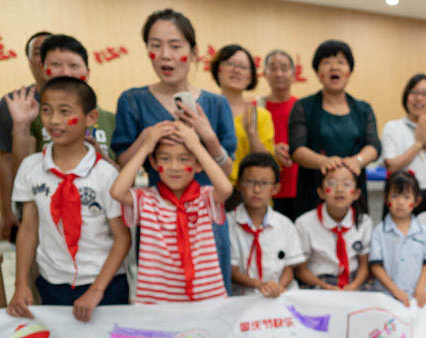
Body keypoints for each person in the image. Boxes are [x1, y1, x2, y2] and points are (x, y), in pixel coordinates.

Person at [111, 9, 236, 294]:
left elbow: (227, 172)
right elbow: (122, 165)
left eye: (175, 46)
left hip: (206, 222)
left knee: (211, 299)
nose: (165, 55)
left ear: (194, 53)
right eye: (155, 46)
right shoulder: (133, 101)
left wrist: (207, 137)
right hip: (158, 225)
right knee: (161, 298)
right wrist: (145, 140)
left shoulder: (216, 105)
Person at [6, 78, 130, 323]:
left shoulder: (106, 174)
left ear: (91, 117)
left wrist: (96, 291)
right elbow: (29, 229)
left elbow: (123, 237)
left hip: (105, 284)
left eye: (65, 112)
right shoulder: (31, 168)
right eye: (47, 110)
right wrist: (21, 284)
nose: (53, 120)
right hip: (53, 281)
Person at [109, 120, 233, 303]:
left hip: (207, 298)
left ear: (198, 164)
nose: (174, 167)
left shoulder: (205, 198)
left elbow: (226, 188)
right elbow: (117, 191)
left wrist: (196, 147)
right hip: (158, 302)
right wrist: (145, 147)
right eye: (165, 159)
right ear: (153, 162)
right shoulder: (147, 200)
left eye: (184, 159)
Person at [289, 40, 380, 217]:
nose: (334, 67)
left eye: (341, 62)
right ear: (317, 72)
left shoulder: (363, 109)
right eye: (327, 62)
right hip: (314, 191)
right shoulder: (303, 107)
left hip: (352, 190)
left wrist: (357, 161)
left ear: (349, 72)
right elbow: (297, 148)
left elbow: (374, 145)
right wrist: (323, 162)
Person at [8, 34, 118, 174]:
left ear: (87, 73)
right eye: (56, 65)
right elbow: (21, 175)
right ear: (44, 71)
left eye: (74, 65)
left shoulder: (112, 120)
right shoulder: (32, 118)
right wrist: (21, 125)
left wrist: (99, 156)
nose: (65, 73)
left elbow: (124, 181)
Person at [0, 30, 51, 241]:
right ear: (28, 61)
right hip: (31, 208)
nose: (45, 57)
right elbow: (5, 160)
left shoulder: (81, 102)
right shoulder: (12, 103)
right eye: (38, 51)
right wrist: (6, 212)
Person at [228, 153, 305, 297]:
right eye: (250, 182)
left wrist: (277, 288)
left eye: (264, 183)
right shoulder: (228, 223)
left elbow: (289, 268)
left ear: (275, 188)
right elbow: (232, 271)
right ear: (239, 184)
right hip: (245, 298)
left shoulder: (285, 224)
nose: (257, 190)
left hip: (281, 295)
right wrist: (260, 285)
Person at [295, 164, 372, 290]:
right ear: (321, 192)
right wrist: (325, 286)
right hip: (318, 282)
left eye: (347, 184)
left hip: (353, 281)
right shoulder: (304, 223)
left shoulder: (364, 221)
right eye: (332, 183)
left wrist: (353, 286)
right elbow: (300, 270)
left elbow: (364, 266)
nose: (339, 189)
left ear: (356, 193)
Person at [211, 44, 275, 185]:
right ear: (218, 70)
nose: (236, 69)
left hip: (248, 192)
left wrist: (252, 133)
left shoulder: (261, 115)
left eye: (242, 67)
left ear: (249, 77)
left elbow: (268, 165)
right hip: (210, 189)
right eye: (230, 63)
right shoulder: (205, 109)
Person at [370, 172, 426, 307]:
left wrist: (421, 287)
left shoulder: (422, 230)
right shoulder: (379, 231)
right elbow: (376, 266)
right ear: (385, 198)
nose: (400, 202)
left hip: (419, 294)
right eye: (394, 196)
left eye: (406, 197)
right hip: (387, 294)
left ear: (416, 201)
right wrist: (395, 290)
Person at [259, 49, 299, 219]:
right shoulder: (255, 107)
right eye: (273, 68)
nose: (279, 73)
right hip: (265, 190)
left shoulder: (302, 107)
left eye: (284, 68)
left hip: (299, 187)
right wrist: (271, 149)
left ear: (294, 73)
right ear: (265, 74)